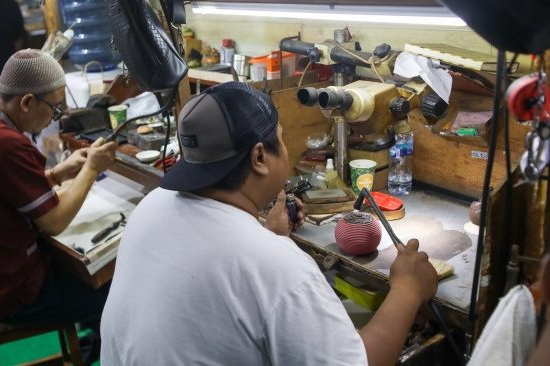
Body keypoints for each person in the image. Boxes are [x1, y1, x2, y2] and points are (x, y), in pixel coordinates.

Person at [100, 81, 439, 366]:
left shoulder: (152, 205)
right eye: (281, 136)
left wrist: (266, 237)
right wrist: (408, 289)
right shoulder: (276, 265)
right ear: (260, 157)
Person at [0, 49, 117, 350]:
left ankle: (94, 344)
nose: (55, 115)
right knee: (117, 290)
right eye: (55, 107)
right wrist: (91, 169)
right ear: (27, 102)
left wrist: (60, 172)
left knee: (91, 275)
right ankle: (106, 347)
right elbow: (55, 222)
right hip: (9, 291)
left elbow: (5, 191)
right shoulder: (5, 144)